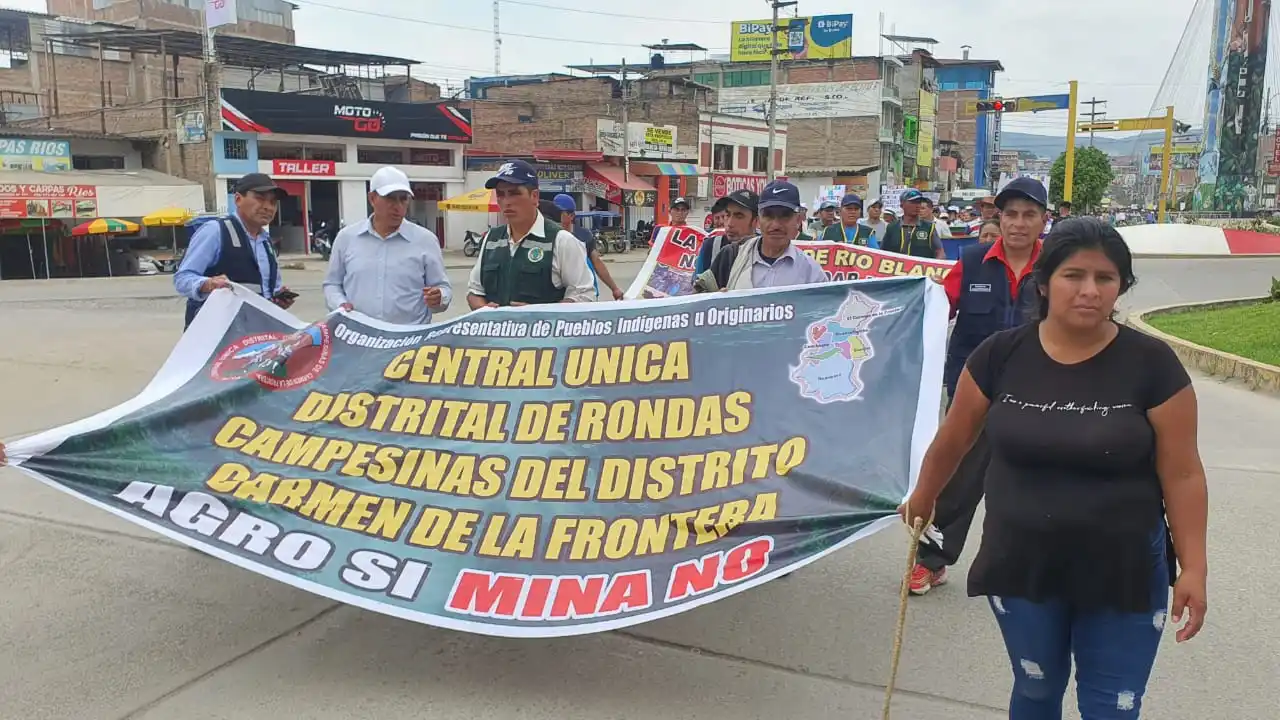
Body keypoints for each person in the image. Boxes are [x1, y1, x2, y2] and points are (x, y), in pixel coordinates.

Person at [902, 217, 1208, 718]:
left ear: (1120, 288)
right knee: (1037, 691)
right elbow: (953, 439)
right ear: (1044, 283)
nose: (1089, 290)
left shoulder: (1153, 366)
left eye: (1105, 278)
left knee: (1112, 707)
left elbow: (1183, 474)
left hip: (1125, 572)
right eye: (1074, 275)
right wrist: (923, 498)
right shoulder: (999, 356)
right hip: (1022, 567)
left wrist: (1194, 566)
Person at [910, 176, 1050, 596]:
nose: (1019, 223)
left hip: (1038, 395)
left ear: (1044, 220)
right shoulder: (971, 263)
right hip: (973, 393)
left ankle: (1033, 569)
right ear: (998, 217)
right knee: (958, 481)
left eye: (1030, 215)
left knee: (1034, 485)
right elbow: (932, 314)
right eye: (1011, 214)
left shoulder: (1058, 266)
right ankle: (931, 562)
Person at [322, 167, 451, 325]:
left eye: (403, 199)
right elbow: (332, 284)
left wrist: (439, 297)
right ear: (372, 198)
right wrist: (340, 305)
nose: (397, 206)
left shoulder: (426, 240)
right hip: (358, 337)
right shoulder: (347, 238)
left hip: (410, 340)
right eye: (390, 198)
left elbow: (443, 288)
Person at [466, 159, 595, 308]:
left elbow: (584, 295)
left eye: (514, 193)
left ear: (534, 196)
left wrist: (537, 315)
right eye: (500, 194)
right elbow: (474, 292)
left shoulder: (561, 240)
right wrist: (485, 311)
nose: (506, 201)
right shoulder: (491, 239)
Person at [174, 173, 294, 329]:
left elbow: (266, 291)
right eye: (260, 198)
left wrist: (277, 299)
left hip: (253, 337)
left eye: (272, 202)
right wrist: (207, 284)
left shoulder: (267, 243)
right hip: (214, 335)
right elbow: (182, 278)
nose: (267, 207)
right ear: (238, 199)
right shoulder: (215, 231)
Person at [699, 180, 826, 292]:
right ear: (758, 220)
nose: (776, 225)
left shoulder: (811, 273)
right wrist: (717, 302)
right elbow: (696, 301)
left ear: (798, 220)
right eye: (769, 215)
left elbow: (823, 314)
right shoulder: (731, 256)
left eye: (785, 215)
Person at [552, 193, 624, 301]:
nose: (554, 218)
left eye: (559, 214)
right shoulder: (549, 236)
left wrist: (614, 288)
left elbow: (597, 263)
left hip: (584, 295)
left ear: (571, 216)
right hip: (560, 296)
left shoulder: (584, 236)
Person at [693, 190, 759, 276]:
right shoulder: (711, 246)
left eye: (739, 216)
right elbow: (697, 286)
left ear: (756, 221)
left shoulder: (764, 249)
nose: (729, 223)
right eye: (727, 215)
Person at [880, 189, 946, 259]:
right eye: (913, 202)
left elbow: (939, 252)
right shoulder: (892, 227)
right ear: (902, 204)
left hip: (921, 268)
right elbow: (883, 252)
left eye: (919, 202)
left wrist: (936, 264)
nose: (917, 205)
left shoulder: (929, 227)